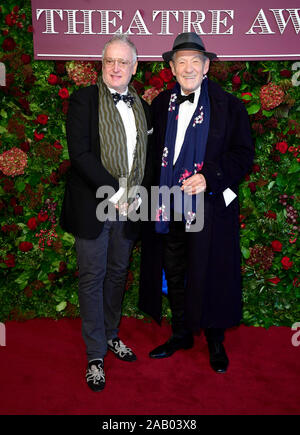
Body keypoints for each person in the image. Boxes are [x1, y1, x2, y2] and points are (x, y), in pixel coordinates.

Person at [139, 32, 254, 373]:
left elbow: (243, 155)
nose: (188, 68)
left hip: (210, 205)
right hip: (166, 204)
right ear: (172, 69)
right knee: (173, 269)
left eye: (195, 61)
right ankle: (181, 333)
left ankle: (215, 341)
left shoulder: (229, 106)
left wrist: (210, 176)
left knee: (212, 270)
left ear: (206, 67)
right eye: (181, 62)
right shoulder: (160, 105)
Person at [60, 35, 151, 391]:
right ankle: (95, 353)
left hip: (130, 207)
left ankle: (112, 334)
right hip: (95, 205)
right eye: (110, 61)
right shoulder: (84, 100)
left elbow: (143, 159)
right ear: (102, 64)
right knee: (92, 276)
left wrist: (137, 195)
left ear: (134, 67)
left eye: (123, 62)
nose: (116, 67)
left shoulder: (141, 105)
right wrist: (116, 191)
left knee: (117, 274)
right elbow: (79, 154)